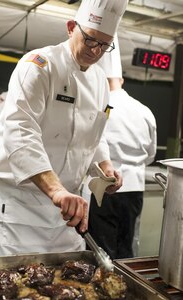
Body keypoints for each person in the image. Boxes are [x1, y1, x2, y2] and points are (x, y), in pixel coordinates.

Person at [0, 0, 128, 257]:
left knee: (69, 285)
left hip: (67, 210)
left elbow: (96, 131)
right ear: (71, 27)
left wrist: (105, 166)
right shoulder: (38, 66)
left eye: (105, 46)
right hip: (20, 208)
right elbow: (21, 132)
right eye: (91, 40)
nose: (96, 51)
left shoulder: (99, 82)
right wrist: (56, 190)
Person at [88, 46, 157, 259]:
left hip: (105, 186)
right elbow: (151, 153)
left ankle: (104, 288)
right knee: (127, 245)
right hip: (135, 187)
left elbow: (91, 145)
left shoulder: (101, 107)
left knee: (101, 246)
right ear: (122, 81)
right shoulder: (144, 110)